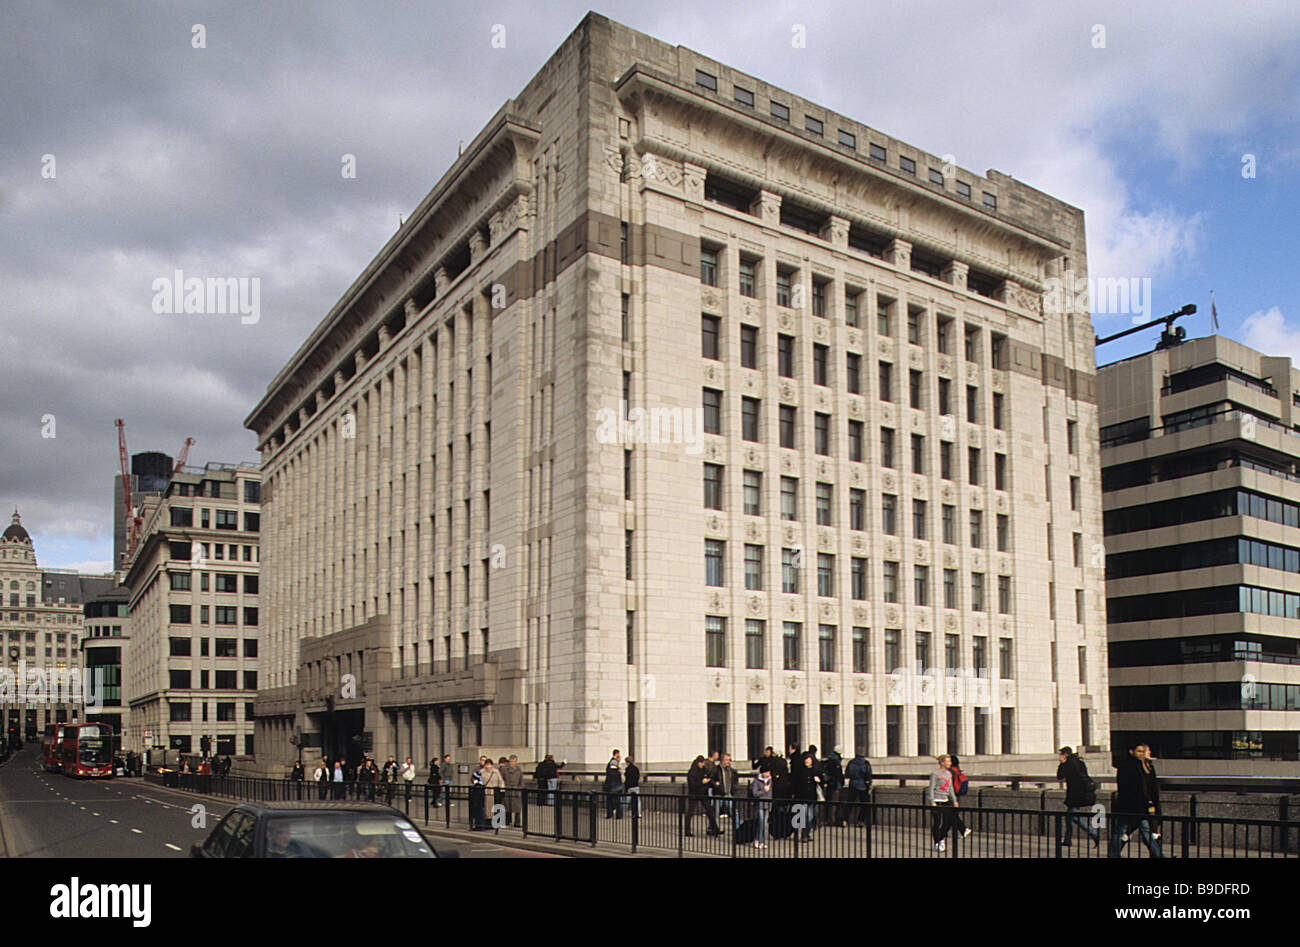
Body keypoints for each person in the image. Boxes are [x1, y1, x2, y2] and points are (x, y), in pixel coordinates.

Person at [1110, 743, 1164, 858]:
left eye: (1142, 751)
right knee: (1121, 832)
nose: (1141, 754)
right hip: (1129, 807)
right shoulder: (1128, 766)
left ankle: (1159, 855)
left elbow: (1151, 788)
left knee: (1145, 833)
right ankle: (1113, 854)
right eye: (1139, 751)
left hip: (1141, 807)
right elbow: (1126, 788)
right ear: (1131, 751)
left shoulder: (1146, 766)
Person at [1057, 746, 1099, 847]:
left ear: (1065, 754)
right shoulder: (1079, 762)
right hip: (1080, 793)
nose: (1060, 756)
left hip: (1075, 794)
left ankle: (1093, 833)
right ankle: (1068, 839)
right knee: (1069, 817)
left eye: (1061, 754)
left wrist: (1061, 764)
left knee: (1073, 817)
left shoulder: (1068, 764)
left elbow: (1060, 776)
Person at [928, 754, 958, 853]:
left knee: (948, 821)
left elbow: (950, 788)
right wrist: (932, 801)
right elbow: (931, 788)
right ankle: (937, 842)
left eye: (950, 761)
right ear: (942, 762)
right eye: (948, 761)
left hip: (945, 800)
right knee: (937, 822)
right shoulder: (935, 774)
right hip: (937, 800)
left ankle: (941, 838)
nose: (950, 763)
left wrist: (954, 800)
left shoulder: (949, 774)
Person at [684, 755, 720, 837]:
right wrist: (701, 782)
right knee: (690, 812)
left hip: (703, 793)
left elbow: (708, 778)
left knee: (710, 811)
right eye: (701, 763)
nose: (702, 765)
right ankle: (687, 830)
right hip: (694, 794)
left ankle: (715, 829)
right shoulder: (692, 772)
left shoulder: (703, 770)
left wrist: (713, 783)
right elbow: (692, 784)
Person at [789, 752, 819, 840]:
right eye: (806, 759)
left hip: (812, 797)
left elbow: (821, 782)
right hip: (802, 796)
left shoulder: (815, 770)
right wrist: (794, 793)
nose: (807, 761)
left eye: (809, 759)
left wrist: (819, 780)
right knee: (805, 816)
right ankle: (804, 834)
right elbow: (794, 782)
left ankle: (807, 833)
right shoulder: (800, 771)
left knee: (810, 817)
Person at [844, 749, 873, 824]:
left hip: (853, 784)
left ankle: (845, 820)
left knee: (849, 804)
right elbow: (869, 774)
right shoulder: (866, 763)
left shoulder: (851, 762)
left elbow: (847, 773)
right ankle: (861, 820)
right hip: (863, 785)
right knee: (864, 804)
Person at [948, 754, 972, 840]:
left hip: (950, 795)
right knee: (951, 814)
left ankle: (964, 829)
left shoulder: (950, 771)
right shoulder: (956, 770)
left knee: (950, 814)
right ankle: (961, 830)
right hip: (957, 794)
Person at [750, 768, 773, 849]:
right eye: (767, 772)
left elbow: (770, 794)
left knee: (764, 824)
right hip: (759, 805)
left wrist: (770, 805)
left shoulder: (770, 781)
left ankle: (762, 841)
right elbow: (755, 793)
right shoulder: (756, 781)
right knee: (760, 822)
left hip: (767, 804)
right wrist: (764, 790)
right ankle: (758, 840)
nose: (769, 773)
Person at [821, 748, 845, 826]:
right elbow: (838, 775)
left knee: (830, 802)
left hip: (830, 784)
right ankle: (833, 820)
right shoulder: (836, 762)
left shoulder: (829, 760)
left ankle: (829, 819)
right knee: (835, 803)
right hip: (835, 785)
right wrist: (841, 782)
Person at [603, 749, 625, 819]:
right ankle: (618, 815)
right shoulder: (614, 763)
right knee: (617, 801)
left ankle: (610, 814)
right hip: (615, 785)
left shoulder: (611, 764)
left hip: (611, 785)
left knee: (610, 801)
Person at [716, 753, 738, 821]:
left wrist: (733, 790)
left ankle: (737, 828)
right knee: (715, 813)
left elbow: (734, 781)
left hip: (728, 793)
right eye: (727, 760)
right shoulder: (716, 770)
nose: (729, 762)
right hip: (718, 793)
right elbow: (712, 780)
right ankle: (712, 828)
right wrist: (716, 785)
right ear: (722, 761)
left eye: (729, 760)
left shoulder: (731, 771)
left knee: (734, 811)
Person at [501, 755, 523, 825]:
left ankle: (517, 822)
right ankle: (507, 821)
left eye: (514, 761)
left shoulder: (519, 769)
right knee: (507, 806)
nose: (513, 763)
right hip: (507, 790)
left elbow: (521, 780)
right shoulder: (504, 769)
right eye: (511, 761)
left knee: (517, 808)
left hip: (516, 791)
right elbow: (501, 779)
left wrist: (520, 788)